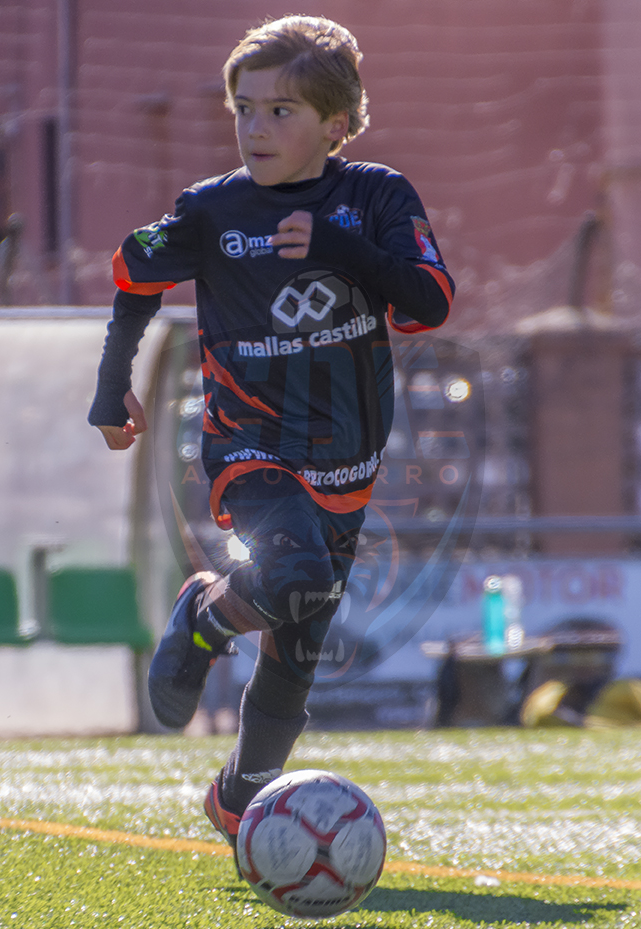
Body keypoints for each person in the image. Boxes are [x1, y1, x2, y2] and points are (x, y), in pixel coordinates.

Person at [88, 15, 454, 860]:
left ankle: (238, 798)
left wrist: (338, 247)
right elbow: (134, 273)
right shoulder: (213, 209)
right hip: (248, 444)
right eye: (244, 109)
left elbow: (429, 302)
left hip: (348, 463)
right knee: (293, 578)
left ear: (335, 123)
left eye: (280, 111)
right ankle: (206, 616)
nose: (255, 128)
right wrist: (113, 386)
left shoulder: (378, 197)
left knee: (298, 649)